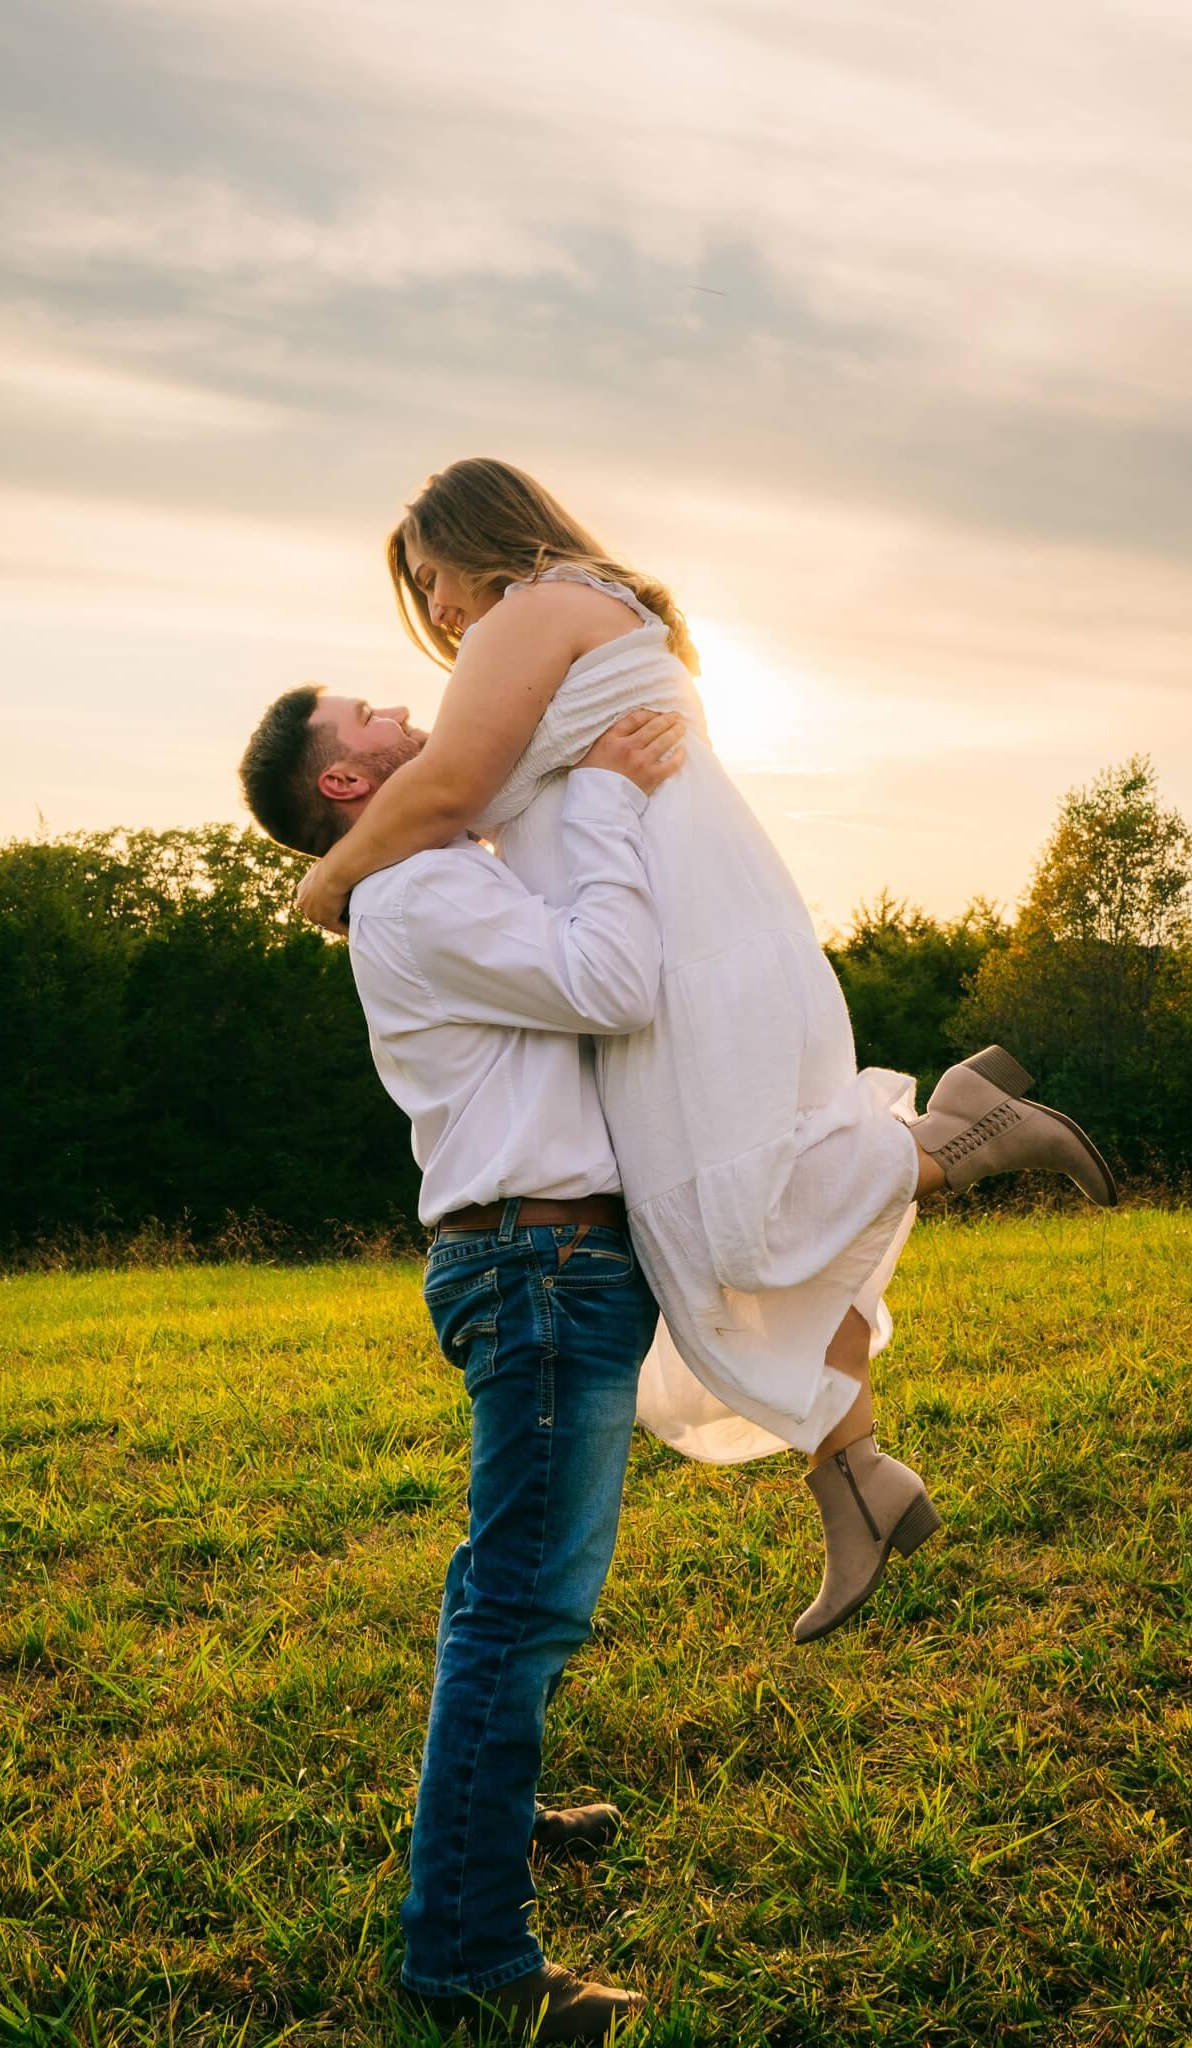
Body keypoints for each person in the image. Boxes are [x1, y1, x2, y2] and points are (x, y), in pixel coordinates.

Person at [292, 458, 1119, 1646]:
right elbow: (467, 808)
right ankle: (857, 1484)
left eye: (430, 577)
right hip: (662, 931)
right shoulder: (569, 614)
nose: (435, 609)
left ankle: (962, 1134)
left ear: (481, 540)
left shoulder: (531, 607)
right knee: (713, 1237)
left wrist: (324, 880)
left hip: (680, 942)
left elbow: (450, 791)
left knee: (734, 1219)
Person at [239, 690, 689, 2040]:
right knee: (519, 1606)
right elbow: (613, 983)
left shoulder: (425, 867)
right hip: (541, 1266)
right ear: (341, 781)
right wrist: (608, 793)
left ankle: (494, 1807)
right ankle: (466, 1955)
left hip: (538, 1259)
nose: (398, 703)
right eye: (364, 712)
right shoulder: (416, 890)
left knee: (505, 1588)